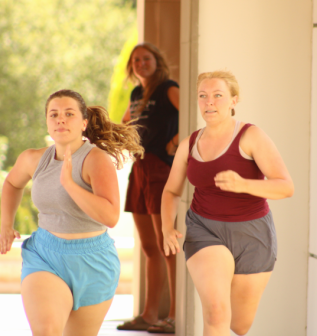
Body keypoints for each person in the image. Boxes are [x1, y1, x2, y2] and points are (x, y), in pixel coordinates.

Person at [0, 89, 144, 336]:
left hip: (94, 262)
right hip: (46, 257)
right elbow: (12, 183)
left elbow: (110, 216)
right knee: (46, 331)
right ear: (47, 122)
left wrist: (70, 185)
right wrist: (5, 224)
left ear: (84, 123)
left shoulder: (96, 160)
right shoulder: (33, 159)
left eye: (69, 114)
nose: (60, 119)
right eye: (53, 114)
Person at [161, 70, 294, 336]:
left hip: (253, 233)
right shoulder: (190, 144)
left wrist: (244, 185)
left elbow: (285, 186)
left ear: (233, 101)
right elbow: (171, 191)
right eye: (203, 96)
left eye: (218, 95)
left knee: (239, 325)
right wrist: (167, 227)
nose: (209, 102)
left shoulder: (250, 136)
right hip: (205, 229)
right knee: (217, 313)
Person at [117, 42, 179, 334]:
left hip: (159, 168)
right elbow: (126, 123)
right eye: (136, 60)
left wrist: (175, 141)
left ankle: (176, 315)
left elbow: (191, 114)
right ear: (132, 67)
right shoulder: (136, 93)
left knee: (167, 247)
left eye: (146, 58)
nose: (141, 63)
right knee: (149, 247)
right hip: (139, 168)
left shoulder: (168, 87)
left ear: (157, 61)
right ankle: (150, 315)